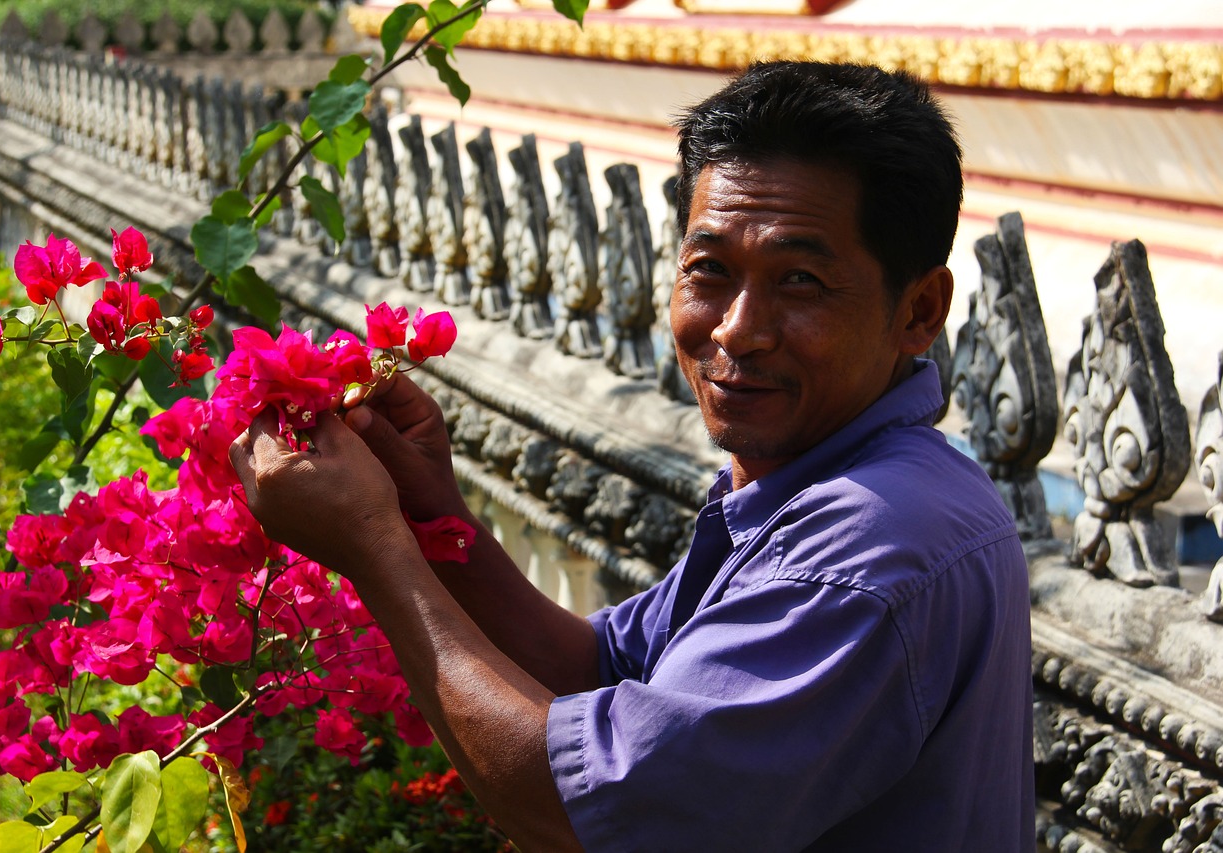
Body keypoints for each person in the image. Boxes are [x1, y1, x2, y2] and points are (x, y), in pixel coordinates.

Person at [230, 61, 1035, 851]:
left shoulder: (870, 543)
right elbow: (602, 668)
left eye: (801, 282)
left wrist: (376, 549)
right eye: (709, 270)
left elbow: (581, 811)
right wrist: (431, 514)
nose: (734, 330)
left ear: (920, 310)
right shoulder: (823, 482)